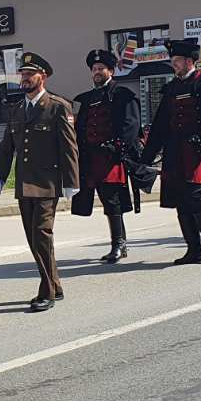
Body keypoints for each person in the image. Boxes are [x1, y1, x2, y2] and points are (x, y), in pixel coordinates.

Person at [0, 52, 79, 312]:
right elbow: (7, 146)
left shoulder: (57, 106)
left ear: (43, 77)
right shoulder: (17, 109)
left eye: (31, 74)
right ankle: (56, 284)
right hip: (24, 184)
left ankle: (46, 291)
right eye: (23, 74)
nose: (25, 78)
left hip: (47, 182)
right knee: (34, 238)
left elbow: (69, 147)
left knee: (41, 235)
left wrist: (71, 181)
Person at [141, 40, 201, 263]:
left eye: (178, 60)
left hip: (196, 153)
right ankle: (193, 249)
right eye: (173, 60)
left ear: (190, 61)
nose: (174, 64)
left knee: (196, 197)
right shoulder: (170, 89)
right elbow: (160, 125)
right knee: (180, 200)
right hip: (174, 153)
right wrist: (147, 155)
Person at [70, 48, 142, 263]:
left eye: (101, 68)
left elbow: (131, 125)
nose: (97, 72)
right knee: (102, 198)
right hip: (91, 158)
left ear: (111, 71)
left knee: (113, 200)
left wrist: (117, 146)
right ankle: (119, 243)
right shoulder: (87, 99)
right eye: (94, 69)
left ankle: (119, 244)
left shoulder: (123, 95)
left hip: (112, 157)